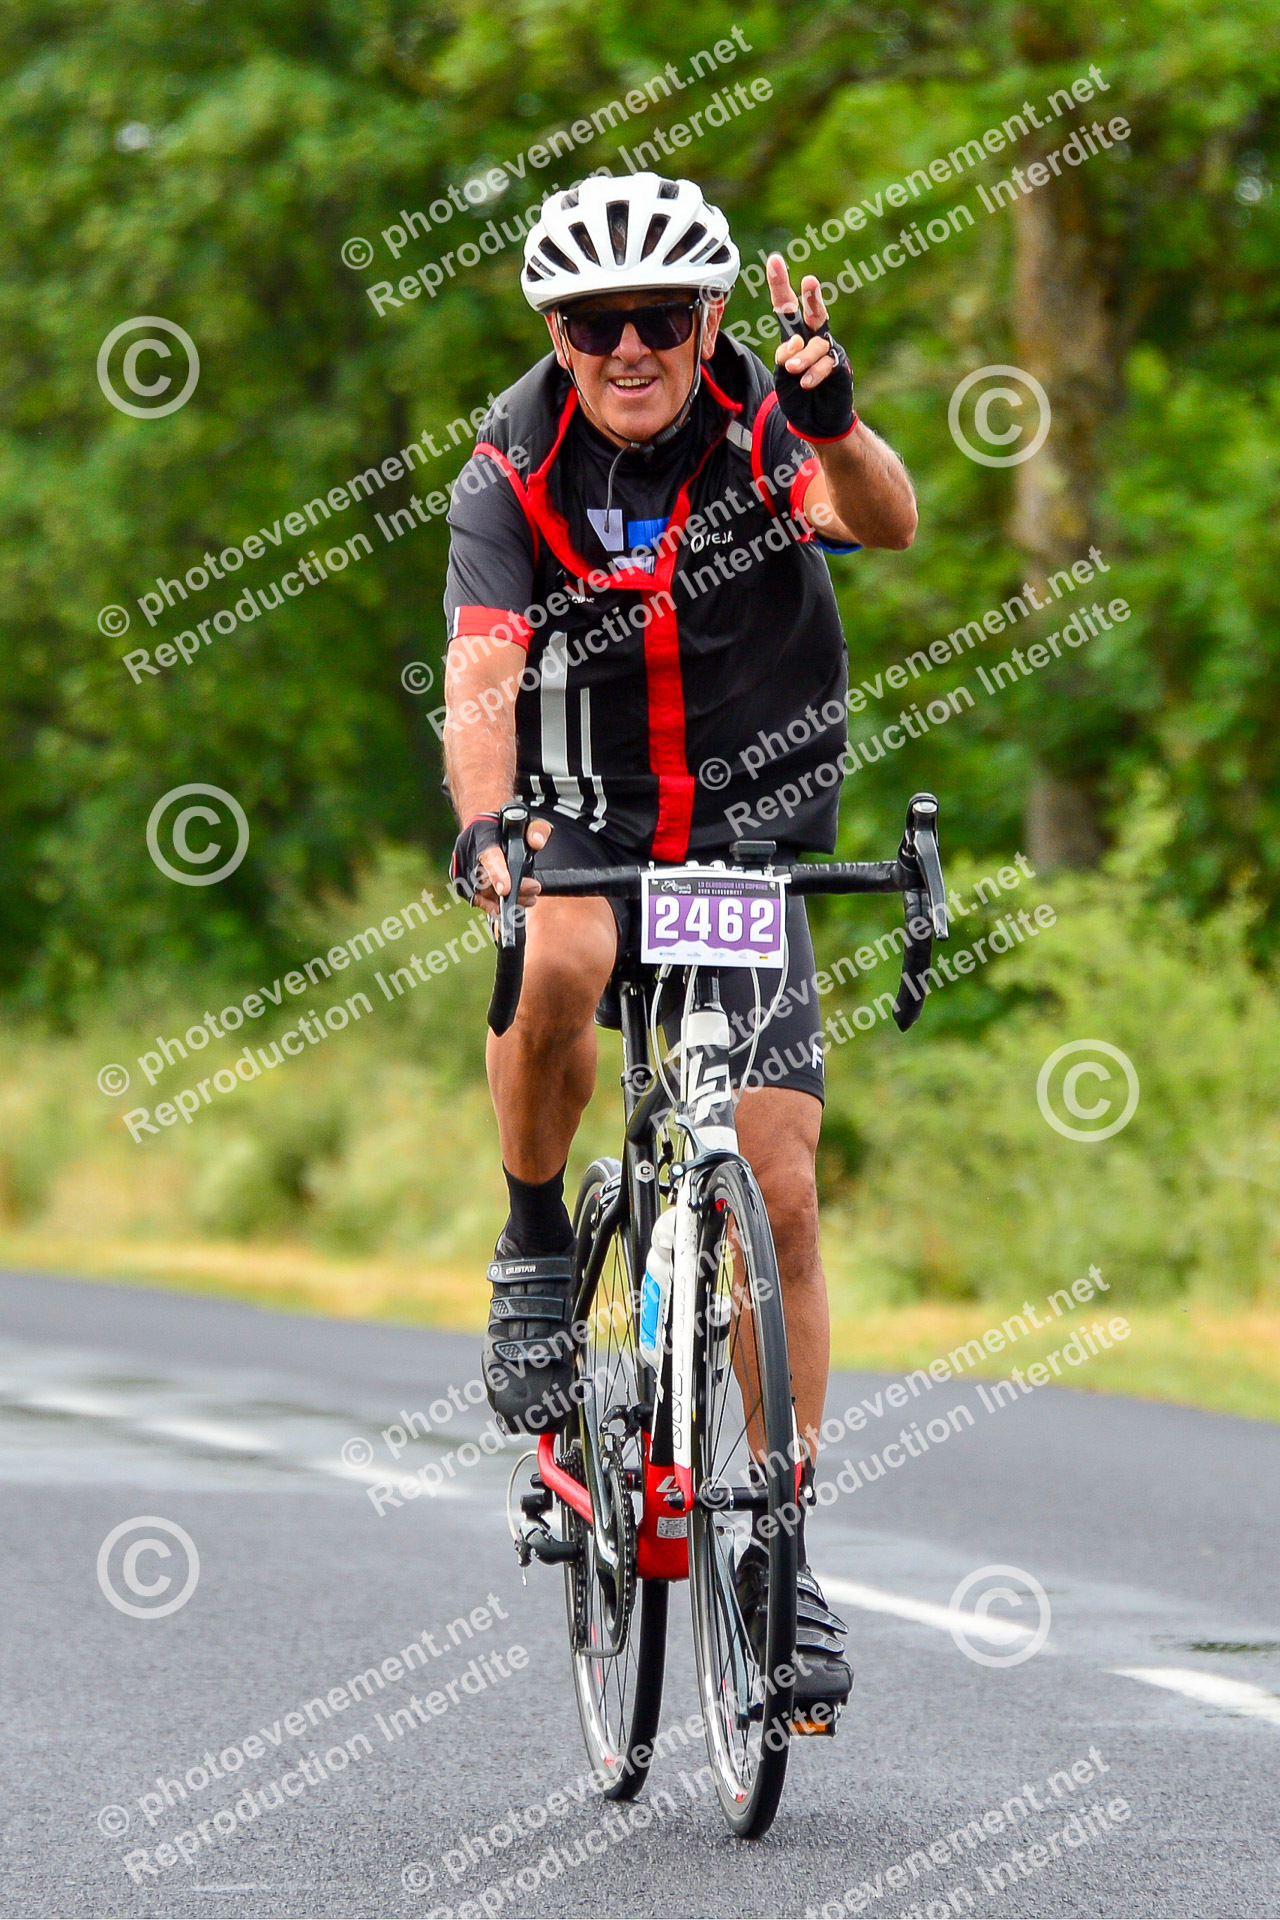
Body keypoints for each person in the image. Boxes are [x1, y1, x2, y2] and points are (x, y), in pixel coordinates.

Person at [442, 171, 916, 1718]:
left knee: (781, 1192)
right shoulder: (511, 467)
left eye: (658, 317)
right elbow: (480, 677)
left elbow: (881, 520)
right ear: (557, 338)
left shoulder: (760, 417)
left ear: (708, 320)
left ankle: (778, 1548)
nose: (630, 347)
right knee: (559, 959)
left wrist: (838, 423)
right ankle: (535, 1243)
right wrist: (486, 823)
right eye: (596, 324)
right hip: (586, 820)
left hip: (749, 832)